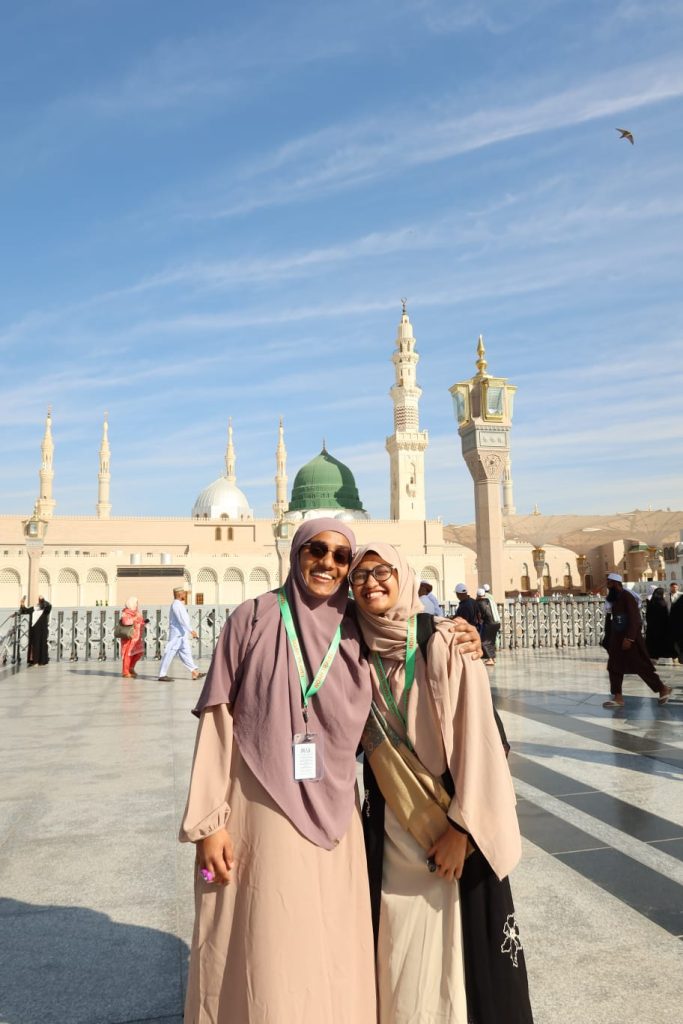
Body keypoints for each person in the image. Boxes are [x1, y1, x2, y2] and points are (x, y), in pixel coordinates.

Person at [179, 519, 483, 1024]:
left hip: (337, 817)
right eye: (316, 550)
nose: (328, 563)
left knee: (329, 942)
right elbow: (217, 719)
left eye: (342, 557)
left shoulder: (354, 627)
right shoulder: (252, 618)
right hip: (258, 808)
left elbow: (401, 633)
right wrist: (207, 826)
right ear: (295, 553)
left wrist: (458, 631)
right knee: (262, 937)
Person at [350, 543, 532, 1024]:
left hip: (452, 825)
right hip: (391, 827)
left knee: (464, 959)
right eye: (360, 576)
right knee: (400, 957)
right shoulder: (352, 648)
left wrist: (463, 831)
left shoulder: (446, 642)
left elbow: (483, 744)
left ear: (403, 574)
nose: (371, 583)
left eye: (382, 571)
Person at [602, 573, 672, 709]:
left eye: (609, 582)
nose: (607, 585)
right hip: (617, 640)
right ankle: (618, 697)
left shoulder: (627, 596)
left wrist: (629, 638)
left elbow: (634, 619)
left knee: (641, 666)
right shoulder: (615, 598)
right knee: (614, 667)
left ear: (616, 583)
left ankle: (662, 688)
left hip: (630, 641)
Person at [158, 586, 205, 682]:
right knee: (169, 653)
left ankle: (194, 672)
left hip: (182, 634)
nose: (185, 595)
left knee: (186, 653)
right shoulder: (176, 605)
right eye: (183, 593)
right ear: (179, 594)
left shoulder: (179, 604)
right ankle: (162, 674)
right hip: (177, 635)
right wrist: (191, 630)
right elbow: (182, 619)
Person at [18, 595, 52, 665]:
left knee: (42, 644)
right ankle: (34, 660)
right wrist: (22, 603)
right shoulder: (33, 609)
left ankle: (42, 661)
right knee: (34, 645)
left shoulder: (45, 610)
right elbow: (24, 610)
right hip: (34, 631)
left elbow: (49, 606)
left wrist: (42, 599)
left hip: (42, 631)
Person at [119, 597, 148, 679]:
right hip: (129, 637)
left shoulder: (137, 612)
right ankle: (125, 672)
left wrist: (144, 622)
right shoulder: (126, 612)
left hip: (137, 637)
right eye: (136, 603)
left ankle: (131, 668)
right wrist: (134, 619)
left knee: (139, 653)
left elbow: (140, 621)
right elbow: (126, 622)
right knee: (128, 654)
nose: (137, 605)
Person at [645, 587, 672, 662]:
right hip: (661, 627)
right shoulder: (663, 603)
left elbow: (647, 615)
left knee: (652, 642)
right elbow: (666, 616)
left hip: (651, 627)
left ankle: (652, 655)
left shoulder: (651, 602)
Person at [476, 587, 497, 666]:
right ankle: (493, 658)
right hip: (496, 623)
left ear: (477, 595)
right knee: (491, 642)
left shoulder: (479, 602)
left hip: (489, 623)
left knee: (484, 642)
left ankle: (490, 659)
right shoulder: (489, 601)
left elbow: (479, 615)